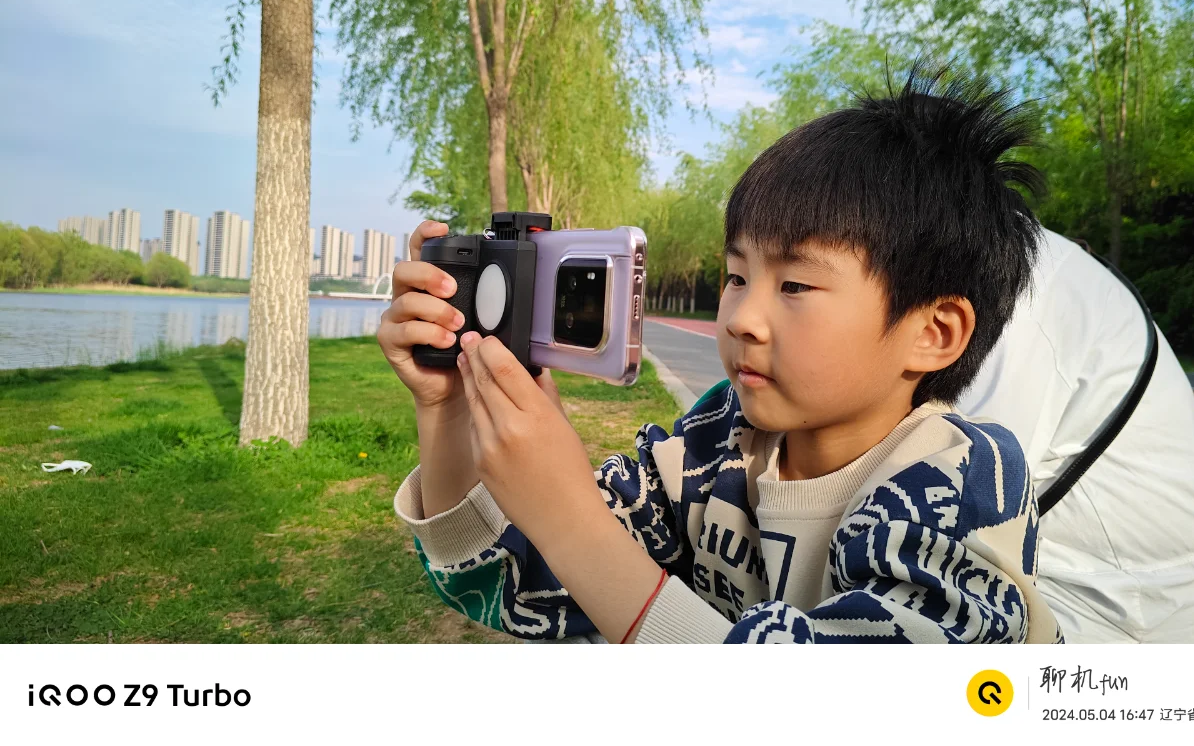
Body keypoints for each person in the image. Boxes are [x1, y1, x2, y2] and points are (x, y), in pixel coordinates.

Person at [379, 66, 1065, 643]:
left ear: (934, 332)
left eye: (794, 284)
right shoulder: (716, 444)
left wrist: (572, 522)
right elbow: (507, 585)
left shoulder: (964, 486)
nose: (742, 317)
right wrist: (447, 411)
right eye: (737, 277)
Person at [956, 228, 1194, 643]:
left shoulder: (1024, 291)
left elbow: (948, 498)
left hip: (1110, 616)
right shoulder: (1015, 261)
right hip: (1091, 589)